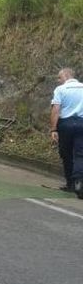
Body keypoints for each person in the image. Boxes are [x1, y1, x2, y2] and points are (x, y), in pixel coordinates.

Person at [50, 67, 83, 197]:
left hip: (66, 124)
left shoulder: (60, 90)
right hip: (82, 123)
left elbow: (56, 109)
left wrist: (53, 129)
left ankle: (70, 183)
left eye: (59, 77)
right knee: (81, 154)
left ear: (66, 76)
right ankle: (79, 181)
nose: (58, 80)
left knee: (66, 154)